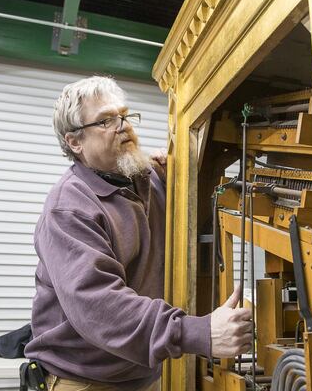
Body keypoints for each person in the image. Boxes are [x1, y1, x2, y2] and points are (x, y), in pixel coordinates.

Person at [24, 76, 252, 391]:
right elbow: (99, 306)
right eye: (106, 120)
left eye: (125, 116)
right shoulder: (70, 207)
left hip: (142, 375)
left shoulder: (150, 180)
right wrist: (194, 332)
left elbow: (192, 230)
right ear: (75, 142)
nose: (123, 126)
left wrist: (180, 176)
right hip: (85, 381)